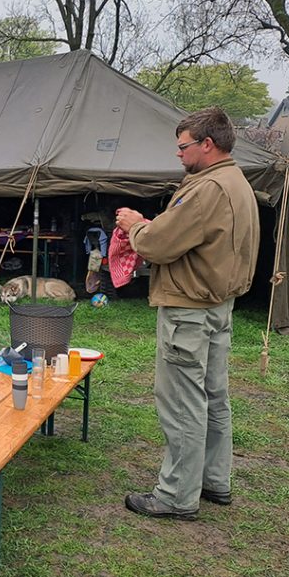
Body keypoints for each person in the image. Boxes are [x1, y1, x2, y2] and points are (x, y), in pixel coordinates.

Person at [115, 107, 260, 521]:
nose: (178, 154)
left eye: (183, 146)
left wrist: (136, 223)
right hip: (218, 305)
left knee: (182, 400)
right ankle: (215, 480)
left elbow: (158, 244)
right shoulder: (237, 183)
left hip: (189, 311)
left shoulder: (207, 189)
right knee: (214, 396)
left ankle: (177, 495)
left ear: (206, 144)